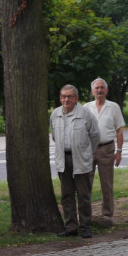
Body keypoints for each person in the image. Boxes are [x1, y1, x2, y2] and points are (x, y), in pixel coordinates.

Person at [51, 85, 101, 238]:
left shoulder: (86, 114)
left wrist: (85, 152)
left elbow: (95, 136)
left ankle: (86, 227)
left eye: (70, 96)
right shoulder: (55, 114)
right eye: (63, 96)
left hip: (81, 159)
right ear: (60, 98)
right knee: (66, 195)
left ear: (76, 98)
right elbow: (54, 135)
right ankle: (71, 226)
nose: (66, 99)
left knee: (84, 195)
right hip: (63, 158)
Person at [84, 77, 125, 225]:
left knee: (106, 184)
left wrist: (119, 151)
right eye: (97, 88)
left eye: (102, 87)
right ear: (92, 91)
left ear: (106, 90)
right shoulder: (86, 108)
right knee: (85, 182)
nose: (99, 90)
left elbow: (119, 130)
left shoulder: (113, 107)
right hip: (89, 149)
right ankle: (85, 215)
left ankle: (107, 216)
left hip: (107, 148)